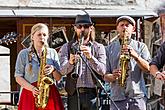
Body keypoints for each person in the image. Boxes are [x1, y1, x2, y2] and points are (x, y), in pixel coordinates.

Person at [59, 14, 106, 110]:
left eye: (86, 26)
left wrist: (91, 57)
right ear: (75, 28)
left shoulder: (98, 47)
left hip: (92, 94)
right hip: (74, 93)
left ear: (91, 28)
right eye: (79, 26)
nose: (82, 29)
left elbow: (103, 71)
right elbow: (62, 71)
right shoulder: (66, 47)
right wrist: (70, 62)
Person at [104, 16, 151, 110]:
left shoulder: (141, 46)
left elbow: (148, 69)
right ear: (117, 28)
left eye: (127, 25)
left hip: (137, 97)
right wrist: (113, 76)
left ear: (133, 29)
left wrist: (136, 56)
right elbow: (105, 76)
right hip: (117, 97)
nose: (124, 28)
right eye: (121, 25)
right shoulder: (108, 49)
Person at [15, 23, 64, 110]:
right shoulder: (24, 53)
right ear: (32, 36)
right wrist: (32, 88)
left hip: (49, 94)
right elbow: (18, 77)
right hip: (29, 93)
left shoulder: (52, 52)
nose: (42, 37)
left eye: (44, 35)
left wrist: (53, 69)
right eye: (39, 34)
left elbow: (58, 78)